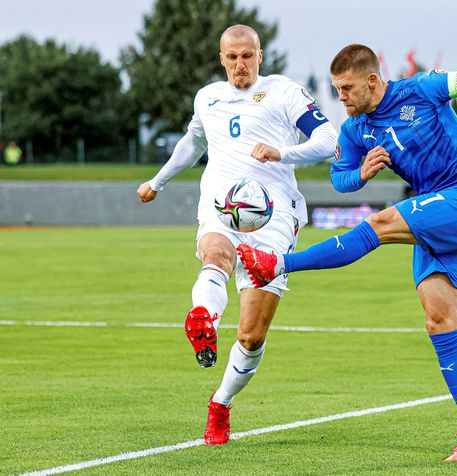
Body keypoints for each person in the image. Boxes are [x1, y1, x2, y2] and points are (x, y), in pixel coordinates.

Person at [238, 44, 457, 461]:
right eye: (336, 89)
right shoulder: (355, 130)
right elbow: (340, 179)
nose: (340, 97)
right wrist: (361, 172)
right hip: (432, 213)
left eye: (346, 88)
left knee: (377, 225)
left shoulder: (423, 89)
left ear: (372, 81)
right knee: (439, 321)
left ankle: (277, 264)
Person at [136, 25, 337, 445]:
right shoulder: (207, 97)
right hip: (221, 204)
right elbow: (191, 145)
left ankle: (221, 403)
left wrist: (283, 152)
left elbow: (327, 139)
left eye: (248, 56)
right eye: (232, 57)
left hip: (275, 215)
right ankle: (204, 319)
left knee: (251, 335)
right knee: (215, 256)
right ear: (221, 58)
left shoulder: (284, 92)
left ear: (260, 56)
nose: (240, 65)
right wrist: (158, 182)